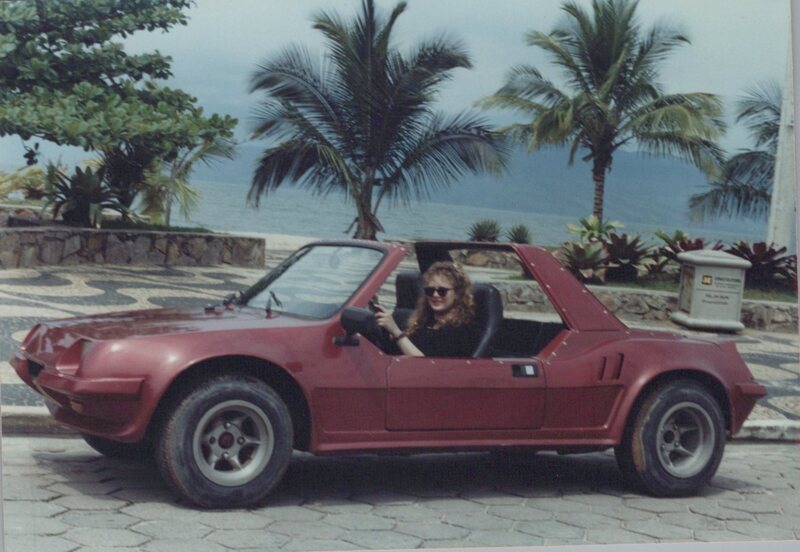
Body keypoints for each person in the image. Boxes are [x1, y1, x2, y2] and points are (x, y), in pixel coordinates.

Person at [375, 261, 480, 357]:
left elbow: (427, 363)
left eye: (442, 291)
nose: (435, 295)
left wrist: (395, 331)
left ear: (457, 293)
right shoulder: (424, 321)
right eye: (430, 290)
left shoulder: (460, 329)